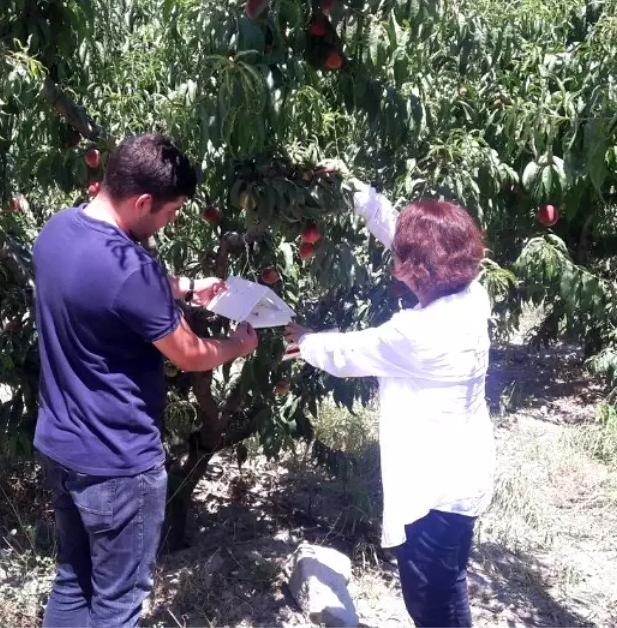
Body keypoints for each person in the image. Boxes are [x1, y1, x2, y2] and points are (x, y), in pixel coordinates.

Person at [31, 132, 259, 627]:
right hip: (117, 463)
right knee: (118, 603)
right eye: (171, 211)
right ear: (142, 202)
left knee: (73, 580)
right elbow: (192, 355)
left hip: (60, 445)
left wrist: (179, 288)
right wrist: (239, 345)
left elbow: (97, 291)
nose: (170, 220)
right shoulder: (133, 269)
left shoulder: (56, 231)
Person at [285, 160, 495, 628]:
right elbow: (409, 237)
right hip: (465, 478)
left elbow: (347, 353)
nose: (395, 265)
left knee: (434, 605)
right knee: (449, 584)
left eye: (401, 260)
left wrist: (304, 340)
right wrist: (355, 188)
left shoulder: (415, 333)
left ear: (409, 271)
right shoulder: (471, 295)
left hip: (432, 496)